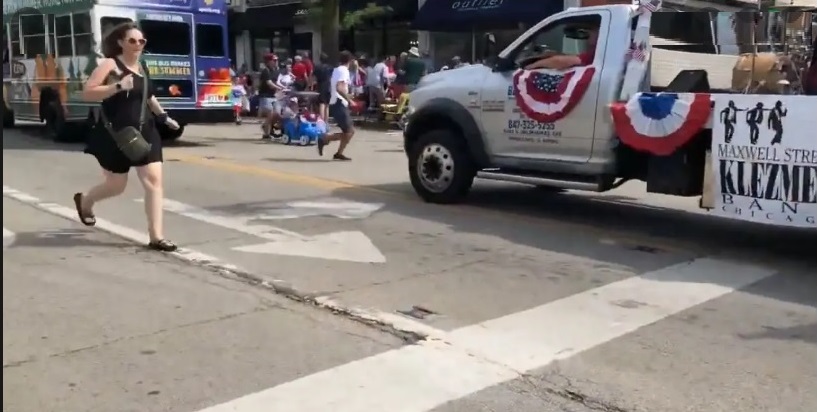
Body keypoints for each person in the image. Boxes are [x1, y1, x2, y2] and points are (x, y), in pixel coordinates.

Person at [75, 21, 180, 252]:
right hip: (117, 133)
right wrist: (117, 87)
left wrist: (163, 117)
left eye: (141, 41)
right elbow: (88, 92)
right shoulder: (110, 65)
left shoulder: (143, 67)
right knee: (116, 185)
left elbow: (148, 96)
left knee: (154, 181)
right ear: (121, 42)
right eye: (132, 40)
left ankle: (156, 236)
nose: (137, 45)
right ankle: (85, 201)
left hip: (145, 130)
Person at [317, 50, 355, 161]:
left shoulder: (337, 70)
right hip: (339, 103)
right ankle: (325, 138)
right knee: (349, 132)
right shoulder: (343, 71)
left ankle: (338, 153)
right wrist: (349, 98)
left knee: (348, 131)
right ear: (350, 60)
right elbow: (339, 87)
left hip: (336, 102)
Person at [525, 23, 599, 70]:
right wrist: (556, 55)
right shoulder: (601, 55)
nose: (589, 40)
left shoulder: (596, 55)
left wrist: (532, 66)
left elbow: (560, 61)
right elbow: (576, 58)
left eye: (590, 34)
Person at [258, 54, 282, 139]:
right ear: (268, 62)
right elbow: (269, 83)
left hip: (273, 96)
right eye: (274, 60)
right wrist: (279, 88)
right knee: (270, 112)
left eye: (276, 60)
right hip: (265, 96)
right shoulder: (266, 71)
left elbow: (276, 82)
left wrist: (283, 87)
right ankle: (266, 133)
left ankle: (266, 127)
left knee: (278, 113)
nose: (276, 62)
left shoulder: (275, 71)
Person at [312, 52, 333, 122]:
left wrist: (311, 85)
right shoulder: (330, 67)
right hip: (329, 86)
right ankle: (326, 121)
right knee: (327, 104)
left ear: (320, 59)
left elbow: (313, 77)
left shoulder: (317, 67)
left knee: (322, 103)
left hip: (321, 85)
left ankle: (322, 121)